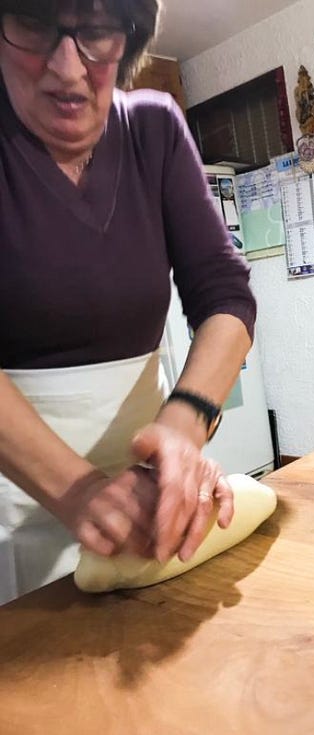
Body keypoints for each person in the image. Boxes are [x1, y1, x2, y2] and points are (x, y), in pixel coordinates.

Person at [0, 0, 256, 604]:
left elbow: (226, 297)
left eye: (94, 32)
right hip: (13, 506)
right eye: (35, 25)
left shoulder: (154, 130)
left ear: (128, 36)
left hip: (147, 502)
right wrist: (78, 492)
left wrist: (180, 433)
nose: (67, 68)